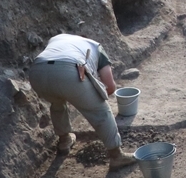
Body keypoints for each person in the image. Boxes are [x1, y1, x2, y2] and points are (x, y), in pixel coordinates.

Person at [27, 34, 136, 168]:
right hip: (67, 70)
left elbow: (53, 67)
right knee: (101, 111)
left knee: (57, 103)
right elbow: (111, 87)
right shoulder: (97, 47)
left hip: (36, 73)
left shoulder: (59, 38)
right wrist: (91, 99)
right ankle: (116, 156)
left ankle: (64, 140)